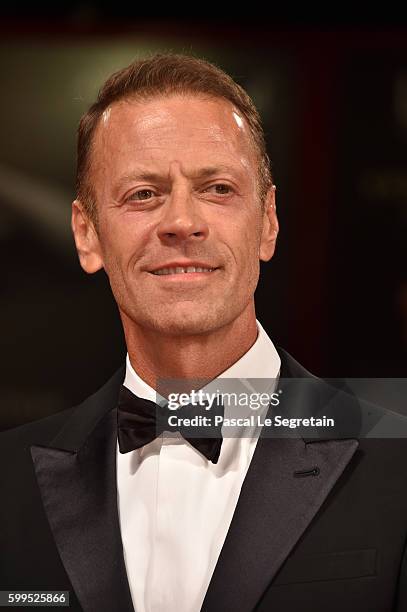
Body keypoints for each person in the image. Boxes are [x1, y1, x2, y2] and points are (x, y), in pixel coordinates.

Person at [1, 53, 406, 612]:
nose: (181, 222)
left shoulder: (398, 467)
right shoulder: (6, 483)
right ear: (87, 234)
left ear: (267, 221)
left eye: (217, 188)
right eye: (143, 193)